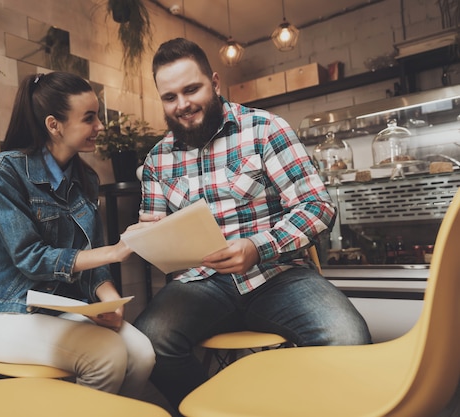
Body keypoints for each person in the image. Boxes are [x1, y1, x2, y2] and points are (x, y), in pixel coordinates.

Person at [133, 38, 372, 411]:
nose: (182, 105)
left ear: (214, 82)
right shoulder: (156, 160)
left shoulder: (264, 129)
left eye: (191, 89)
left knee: (348, 338)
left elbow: (318, 206)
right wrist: (147, 236)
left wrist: (259, 247)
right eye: (169, 97)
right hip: (201, 284)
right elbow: (157, 236)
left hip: (278, 274)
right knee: (147, 342)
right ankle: (221, 409)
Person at [0, 72, 155, 398]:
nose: (100, 127)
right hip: (0, 312)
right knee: (106, 357)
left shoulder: (86, 179)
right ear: (55, 125)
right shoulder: (4, 173)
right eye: (90, 118)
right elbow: (31, 258)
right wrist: (114, 251)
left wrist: (110, 299)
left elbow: (90, 260)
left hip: (56, 308)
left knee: (142, 355)